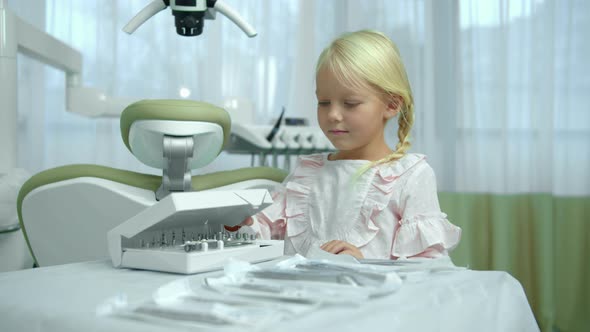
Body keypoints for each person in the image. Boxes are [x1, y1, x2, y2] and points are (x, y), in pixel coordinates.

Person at [240, 30, 461, 260]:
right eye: (324, 102)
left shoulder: (409, 177)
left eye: (350, 103)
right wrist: (243, 225)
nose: (333, 114)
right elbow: (265, 231)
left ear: (392, 104)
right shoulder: (308, 173)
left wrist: (366, 265)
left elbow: (427, 270)